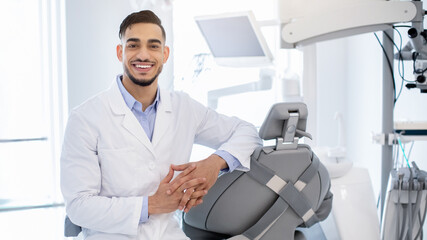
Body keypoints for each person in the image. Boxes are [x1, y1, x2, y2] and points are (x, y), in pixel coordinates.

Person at [60, 10, 261, 240]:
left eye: (153, 46)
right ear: (120, 52)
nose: (143, 55)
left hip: (168, 234)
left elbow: (247, 132)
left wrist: (215, 164)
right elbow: (78, 207)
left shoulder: (183, 107)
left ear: (165, 54)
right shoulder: (85, 118)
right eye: (133, 45)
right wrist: (151, 205)